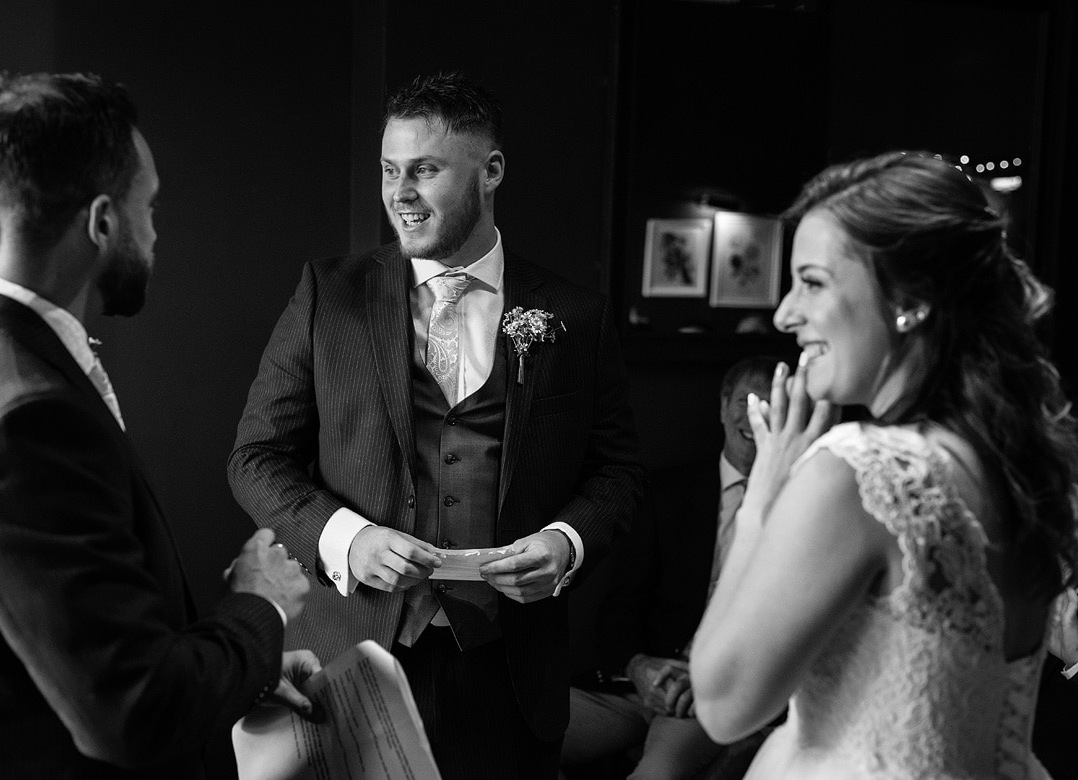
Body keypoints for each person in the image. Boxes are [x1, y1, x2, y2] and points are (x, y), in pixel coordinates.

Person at [227, 71, 645, 778]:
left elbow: (620, 472)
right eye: (391, 170)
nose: (400, 193)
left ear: (491, 171)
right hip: (352, 661)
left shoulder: (574, 316)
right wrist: (348, 538)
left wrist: (565, 542)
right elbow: (256, 457)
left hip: (510, 673)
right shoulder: (329, 295)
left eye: (424, 170)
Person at [0, 72, 319, 778]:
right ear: (102, 222)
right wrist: (261, 606)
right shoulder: (28, 420)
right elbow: (133, 712)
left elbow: (74, 645)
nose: (155, 232)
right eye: (149, 208)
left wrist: (240, 670)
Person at [689, 151, 1078, 778]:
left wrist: (765, 492)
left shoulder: (860, 474)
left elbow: (723, 704)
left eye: (812, 282)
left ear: (910, 300)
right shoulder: (1016, 470)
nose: (786, 313)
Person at [562, 357, 775, 779]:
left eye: (770, 403)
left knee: (655, 775)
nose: (756, 413)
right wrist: (639, 667)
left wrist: (710, 682)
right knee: (514, 740)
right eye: (746, 399)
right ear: (722, 407)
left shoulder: (802, 504)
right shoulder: (669, 494)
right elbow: (621, 607)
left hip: (715, 696)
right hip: (636, 686)